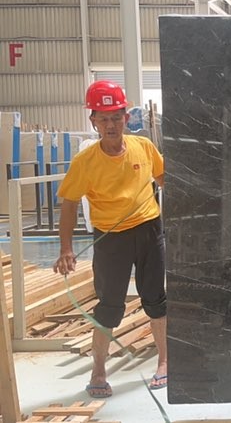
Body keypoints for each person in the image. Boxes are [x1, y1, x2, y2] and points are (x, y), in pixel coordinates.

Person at [52, 80, 167, 398]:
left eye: (116, 117)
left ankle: (164, 363)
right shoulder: (85, 162)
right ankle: (98, 372)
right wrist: (65, 249)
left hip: (148, 230)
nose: (111, 125)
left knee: (156, 299)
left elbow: (163, 178)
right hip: (110, 239)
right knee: (109, 306)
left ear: (126, 118)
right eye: (103, 119)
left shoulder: (144, 147)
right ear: (93, 121)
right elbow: (69, 204)